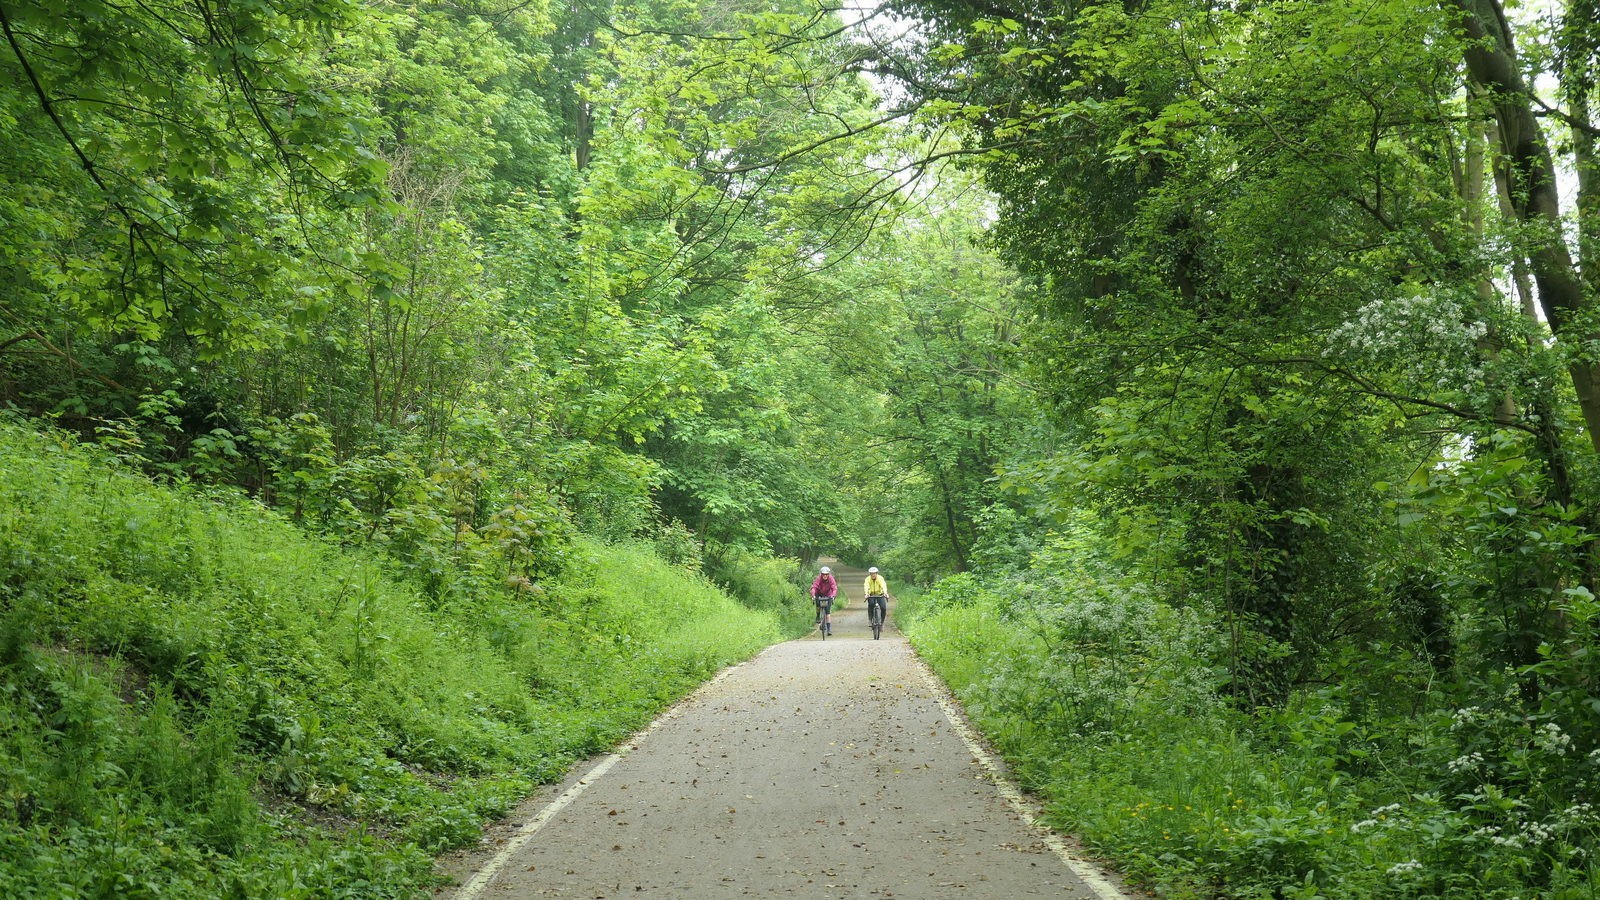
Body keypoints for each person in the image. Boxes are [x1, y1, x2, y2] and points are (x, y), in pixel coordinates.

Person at [810, 565, 838, 636]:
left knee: (828, 612)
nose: (825, 576)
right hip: (819, 594)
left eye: (826, 574)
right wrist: (813, 595)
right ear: (821, 574)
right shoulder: (818, 579)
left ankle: (829, 630)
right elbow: (814, 587)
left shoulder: (831, 579)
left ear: (828, 574)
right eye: (823, 574)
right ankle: (818, 615)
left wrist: (833, 596)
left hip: (828, 595)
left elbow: (834, 588)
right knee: (818, 604)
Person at [863, 567, 889, 635]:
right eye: (871, 574)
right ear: (870, 574)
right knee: (871, 605)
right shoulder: (867, 579)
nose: (873, 575)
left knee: (883, 608)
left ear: (876, 573)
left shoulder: (880, 578)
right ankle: (870, 619)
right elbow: (866, 586)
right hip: (871, 595)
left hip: (879, 594)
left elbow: (883, 585)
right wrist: (866, 594)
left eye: (874, 573)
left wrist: (885, 593)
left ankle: (882, 623)